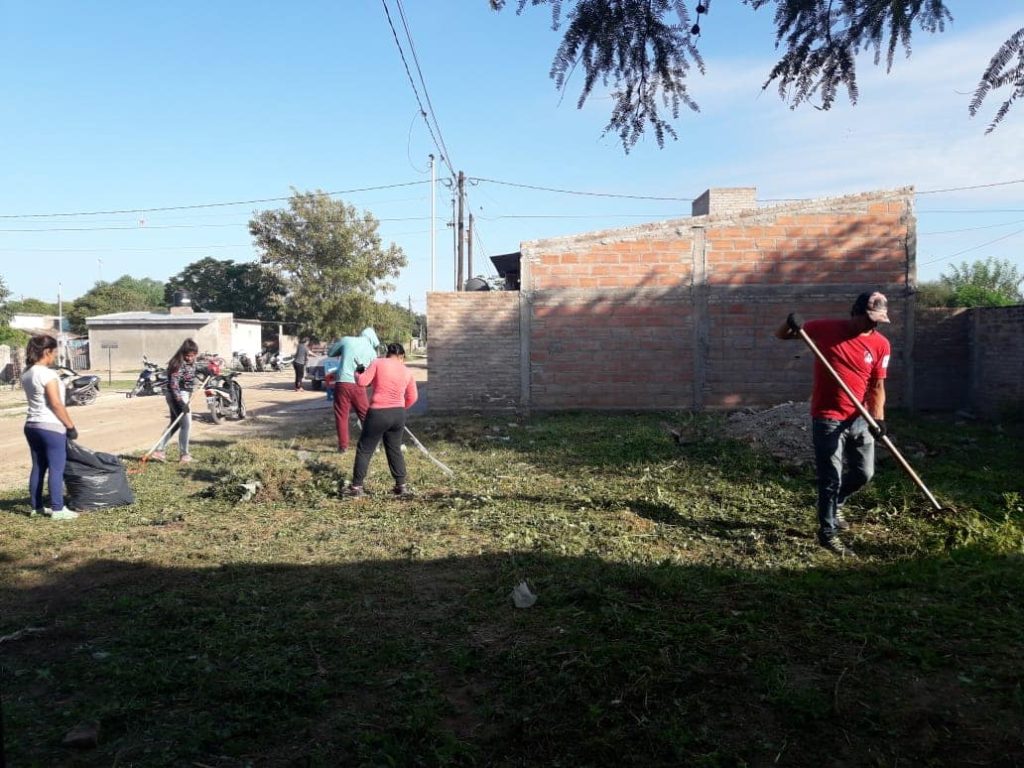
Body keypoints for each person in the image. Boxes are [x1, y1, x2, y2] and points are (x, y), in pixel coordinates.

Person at [775, 291, 892, 556]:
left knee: (865, 473)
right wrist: (789, 322)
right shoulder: (826, 328)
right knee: (830, 478)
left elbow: (877, 385)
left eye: (878, 321)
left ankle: (838, 503)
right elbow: (782, 335)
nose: (872, 325)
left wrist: (879, 418)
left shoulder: (881, 344)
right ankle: (827, 533)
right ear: (856, 311)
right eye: (869, 318)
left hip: (860, 417)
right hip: (827, 416)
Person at [345, 342, 418, 498]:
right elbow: (413, 397)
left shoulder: (378, 362)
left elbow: (362, 382)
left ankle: (357, 488)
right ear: (402, 356)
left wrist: (358, 372)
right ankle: (401, 487)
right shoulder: (407, 370)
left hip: (378, 412)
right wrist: (400, 409)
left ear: (387, 354)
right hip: (398, 414)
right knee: (394, 449)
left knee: (365, 449)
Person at [21, 334, 80, 520]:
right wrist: (70, 426)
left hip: (32, 424)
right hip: (50, 427)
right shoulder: (48, 374)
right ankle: (58, 509)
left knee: (38, 467)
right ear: (47, 352)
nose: (54, 356)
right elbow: (56, 404)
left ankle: (36, 507)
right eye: (54, 353)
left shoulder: (27, 373)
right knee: (56, 468)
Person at [329, 326, 381, 453]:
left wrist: (343, 351)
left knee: (342, 415)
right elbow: (372, 373)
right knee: (365, 415)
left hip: (342, 383)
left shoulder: (347, 340)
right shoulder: (372, 352)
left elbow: (330, 353)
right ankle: (373, 444)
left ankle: (343, 447)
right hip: (359, 385)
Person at [151, 339, 199, 464]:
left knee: (176, 423)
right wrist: (181, 402)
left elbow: (195, 369)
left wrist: (206, 370)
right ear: (182, 353)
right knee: (186, 425)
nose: (189, 358)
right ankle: (184, 455)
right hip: (177, 395)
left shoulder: (192, 362)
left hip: (182, 394)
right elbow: (174, 385)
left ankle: (159, 451)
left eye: (192, 356)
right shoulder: (177, 364)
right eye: (187, 355)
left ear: (195, 354)